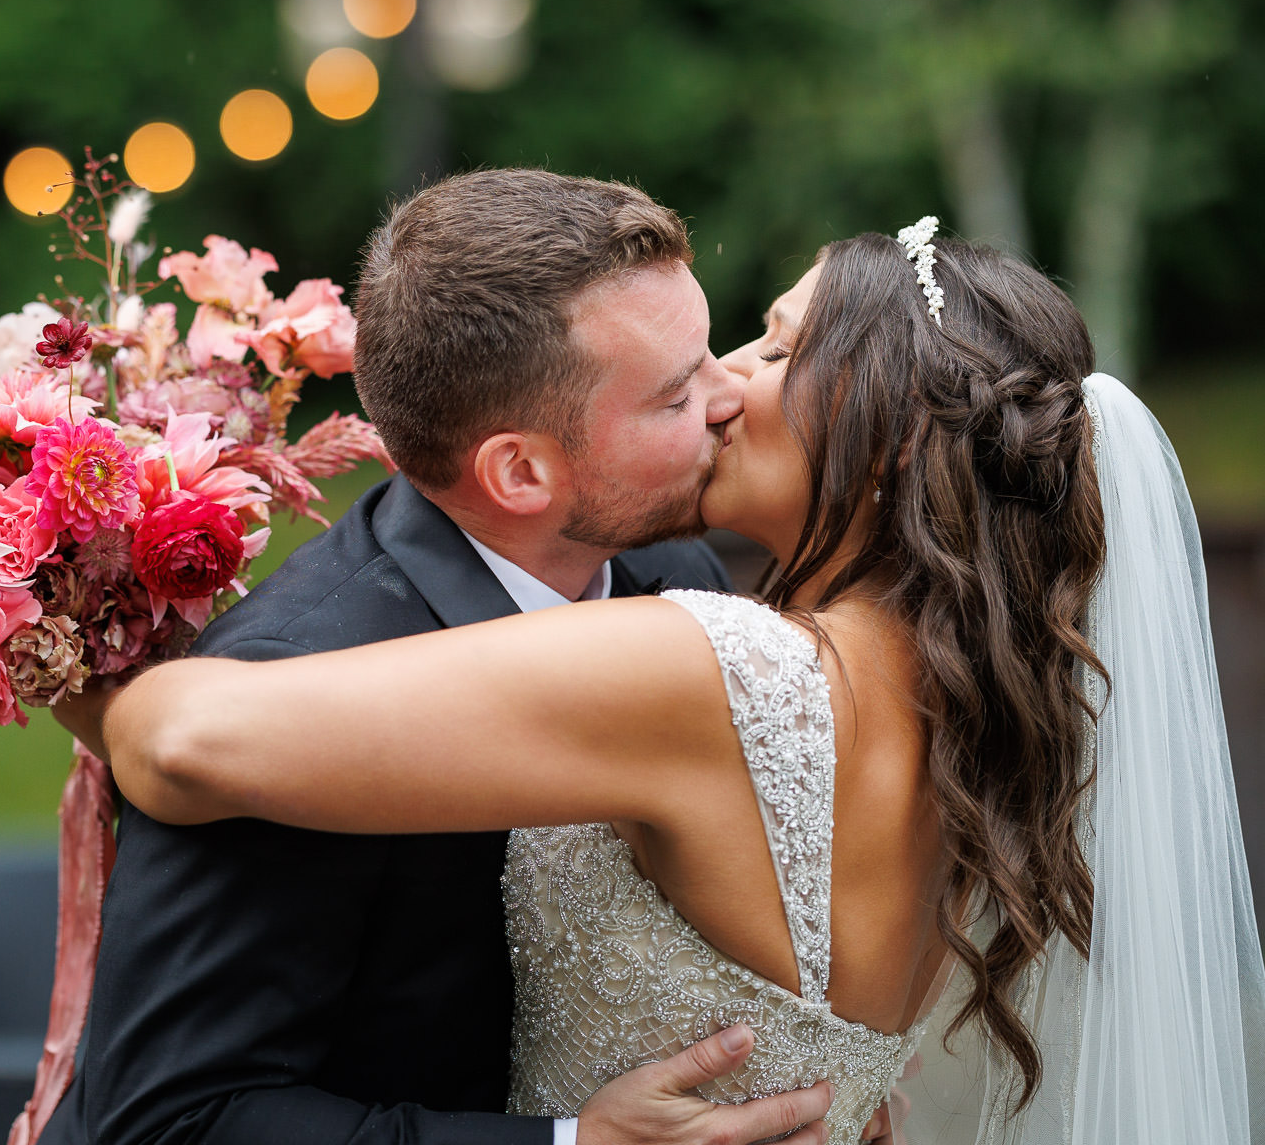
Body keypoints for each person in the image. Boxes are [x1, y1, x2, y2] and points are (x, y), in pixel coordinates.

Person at [91, 224, 1265, 1143]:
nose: (726, 386)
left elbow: (177, 740)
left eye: (775, 348)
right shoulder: (961, 694)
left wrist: (75, 657)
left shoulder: (718, 665)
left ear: (897, 440)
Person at [37, 171, 873, 1145]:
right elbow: (170, 1121)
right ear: (520, 472)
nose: (733, 395)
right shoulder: (287, 683)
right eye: (679, 391)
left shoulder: (671, 571)